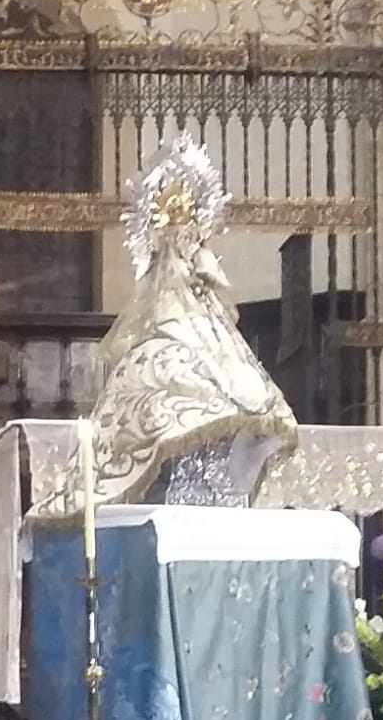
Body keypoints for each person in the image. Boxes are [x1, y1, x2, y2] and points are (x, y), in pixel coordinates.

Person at [55, 132, 297, 510]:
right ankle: (172, 465)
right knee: (162, 380)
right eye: (175, 213)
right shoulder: (163, 258)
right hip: (170, 317)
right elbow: (157, 289)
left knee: (235, 390)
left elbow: (216, 283)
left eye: (189, 215)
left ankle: (213, 467)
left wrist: (201, 273)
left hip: (205, 324)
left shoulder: (200, 254)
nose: (183, 227)